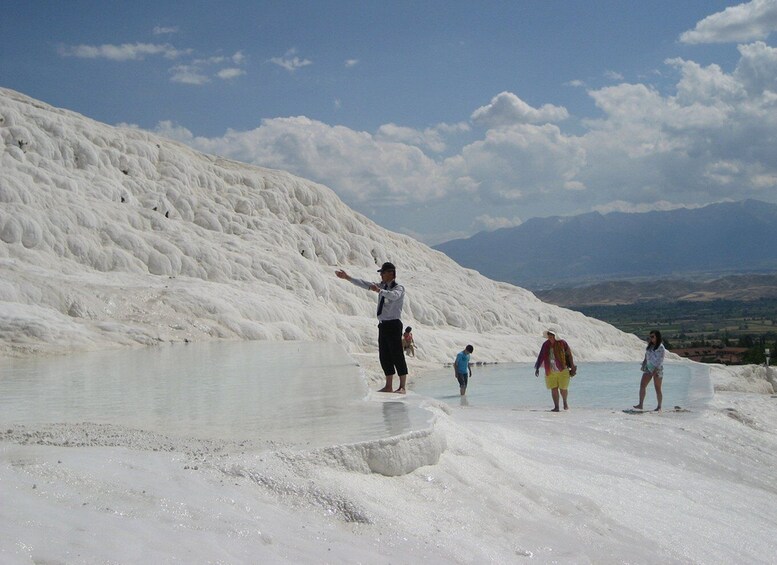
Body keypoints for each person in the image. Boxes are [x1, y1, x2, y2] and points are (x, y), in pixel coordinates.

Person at [335, 262, 409, 393]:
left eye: (383, 272)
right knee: (384, 355)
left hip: (393, 324)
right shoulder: (382, 286)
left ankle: (402, 386)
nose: (381, 275)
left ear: (391, 273)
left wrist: (380, 290)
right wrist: (348, 278)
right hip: (383, 325)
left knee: (397, 354)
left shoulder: (399, 288)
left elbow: (393, 296)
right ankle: (389, 385)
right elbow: (365, 284)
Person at [534, 328, 577, 411]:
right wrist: (537, 368)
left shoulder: (562, 343)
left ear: (555, 336)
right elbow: (541, 356)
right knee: (553, 388)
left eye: (551, 336)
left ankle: (565, 402)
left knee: (563, 388)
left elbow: (569, 355)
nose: (549, 337)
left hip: (563, 369)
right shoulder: (545, 344)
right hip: (550, 370)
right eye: (548, 336)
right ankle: (556, 407)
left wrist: (572, 366)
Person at [634, 330, 666, 411]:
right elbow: (647, 355)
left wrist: (655, 371)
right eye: (650, 336)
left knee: (657, 388)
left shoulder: (661, 347)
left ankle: (659, 406)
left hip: (657, 369)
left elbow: (660, 360)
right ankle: (640, 404)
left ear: (657, 337)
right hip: (649, 367)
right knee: (642, 385)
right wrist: (644, 363)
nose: (651, 338)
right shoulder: (650, 346)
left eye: (652, 336)